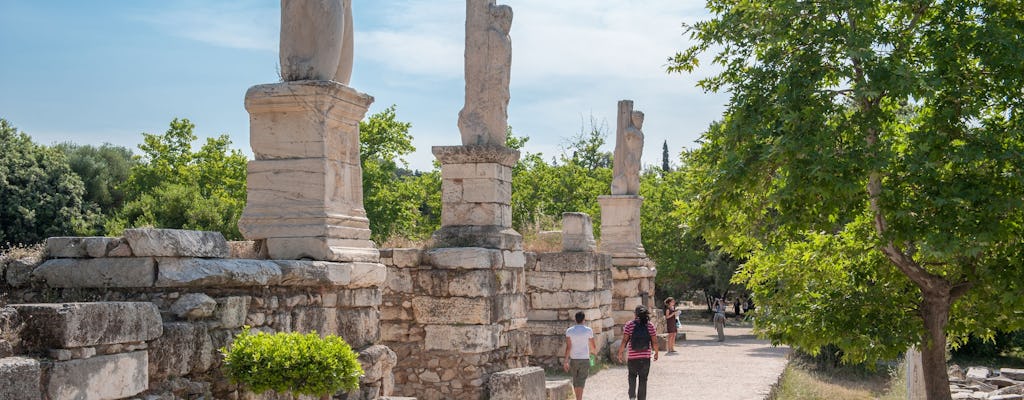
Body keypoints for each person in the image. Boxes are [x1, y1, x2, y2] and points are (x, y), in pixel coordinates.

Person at [617, 305, 658, 400]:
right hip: (645, 357)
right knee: (643, 380)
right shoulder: (650, 325)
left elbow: (624, 340)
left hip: (632, 357)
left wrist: (620, 352)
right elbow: (654, 341)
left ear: (635, 314)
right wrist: (656, 352)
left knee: (632, 377)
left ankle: (632, 396)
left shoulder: (629, 325)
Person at [564, 311, 597, 400]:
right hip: (585, 359)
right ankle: (579, 399)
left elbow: (568, 347)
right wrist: (593, 360)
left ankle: (577, 398)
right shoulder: (588, 330)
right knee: (581, 381)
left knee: (575, 380)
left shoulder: (569, 331)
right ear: (584, 319)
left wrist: (566, 361)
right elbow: (593, 347)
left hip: (574, 359)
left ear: (575, 319)